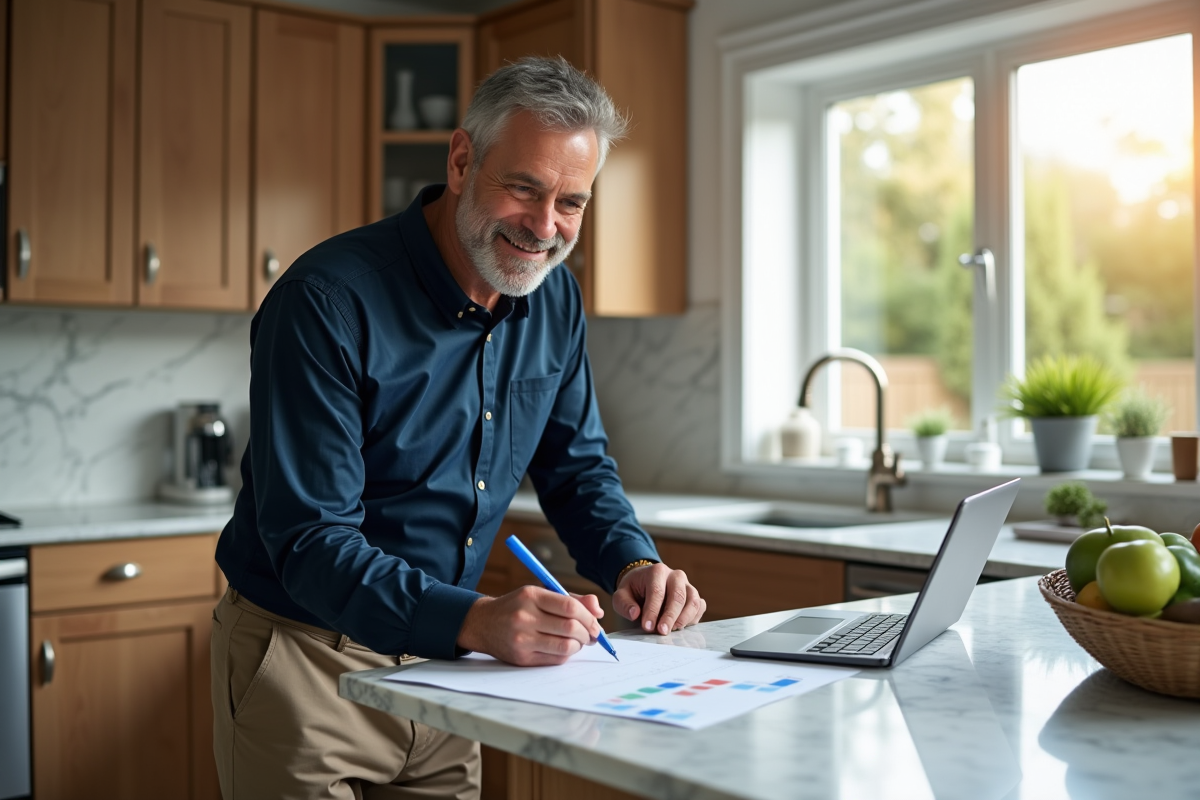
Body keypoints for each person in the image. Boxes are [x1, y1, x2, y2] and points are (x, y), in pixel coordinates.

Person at [210, 56, 707, 800]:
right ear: (462, 158)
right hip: (308, 662)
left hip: (452, 672)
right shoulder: (326, 300)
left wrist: (633, 566)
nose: (545, 227)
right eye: (524, 188)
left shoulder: (555, 299)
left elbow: (578, 470)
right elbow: (310, 542)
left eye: (571, 202)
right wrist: (474, 621)